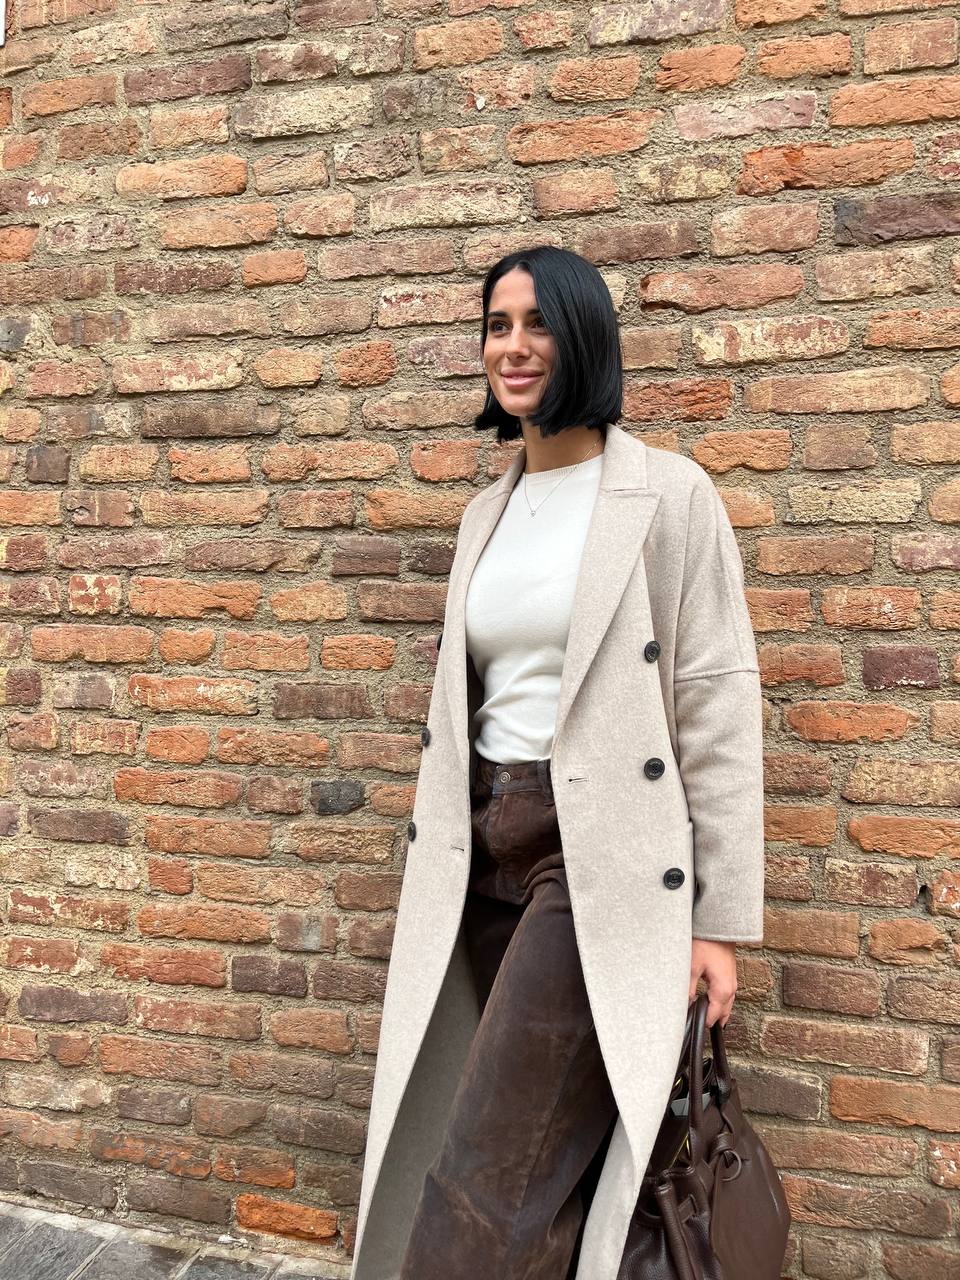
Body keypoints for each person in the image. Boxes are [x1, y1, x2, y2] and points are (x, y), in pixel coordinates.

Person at [348, 245, 765, 1280]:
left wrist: (716, 920)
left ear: (585, 337)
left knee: (484, 1177)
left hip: (592, 858)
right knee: (534, 1178)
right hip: (478, 852)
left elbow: (716, 702)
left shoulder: (668, 496)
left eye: (538, 322)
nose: (514, 345)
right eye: (497, 325)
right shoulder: (485, 513)